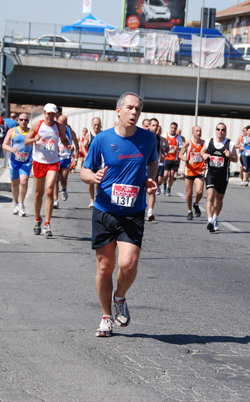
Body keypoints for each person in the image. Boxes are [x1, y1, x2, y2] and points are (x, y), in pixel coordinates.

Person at [80, 92, 158, 337]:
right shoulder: (102, 140)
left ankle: (120, 297)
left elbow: (153, 162)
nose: (134, 112)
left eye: (137, 109)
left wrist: (149, 179)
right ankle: (105, 317)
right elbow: (83, 170)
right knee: (105, 267)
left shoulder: (148, 139)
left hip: (133, 212)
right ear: (118, 110)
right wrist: (93, 177)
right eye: (130, 107)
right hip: (105, 209)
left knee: (128, 264)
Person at [24, 103, 70, 238]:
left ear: (56, 115)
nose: (50, 116)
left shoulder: (59, 126)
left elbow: (64, 139)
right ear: (44, 113)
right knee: (39, 193)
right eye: (48, 113)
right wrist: (34, 138)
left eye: (53, 114)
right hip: (39, 162)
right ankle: (38, 220)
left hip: (53, 162)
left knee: (49, 189)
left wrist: (69, 146)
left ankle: (47, 225)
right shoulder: (36, 125)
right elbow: (26, 141)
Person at [201, 122, 238, 233]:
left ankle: (215, 217)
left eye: (222, 130)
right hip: (210, 173)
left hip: (223, 175)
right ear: (215, 130)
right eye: (218, 129)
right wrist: (204, 155)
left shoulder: (230, 144)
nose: (220, 131)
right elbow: (202, 150)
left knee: (219, 199)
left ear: (225, 131)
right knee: (210, 196)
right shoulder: (209, 141)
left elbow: (236, 159)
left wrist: (229, 156)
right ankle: (210, 221)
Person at [1, 112, 32, 217]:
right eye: (21, 119)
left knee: (24, 181)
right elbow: (4, 145)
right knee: (14, 183)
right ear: (18, 121)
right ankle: (15, 203)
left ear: (28, 121)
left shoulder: (31, 132)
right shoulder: (12, 131)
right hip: (14, 161)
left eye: (25, 120)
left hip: (26, 162)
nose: (23, 121)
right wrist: (11, 149)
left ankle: (22, 204)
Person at [179, 125, 205, 220]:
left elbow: (207, 154)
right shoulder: (188, 143)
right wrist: (188, 161)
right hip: (189, 171)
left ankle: (196, 204)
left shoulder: (204, 143)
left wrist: (206, 162)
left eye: (200, 131)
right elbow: (180, 155)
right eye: (197, 131)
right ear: (193, 133)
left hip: (199, 170)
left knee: (200, 191)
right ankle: (189, 211)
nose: (199, 132)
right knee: (189, 193)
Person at [53, 114, 79, 208]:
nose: (61, 125)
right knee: (55, 180)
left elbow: (77, 146)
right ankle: (55, 200)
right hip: (56, 158)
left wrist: (76, 159)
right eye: (59, 123)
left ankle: (64, 189)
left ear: (66, 124)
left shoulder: (70, 132)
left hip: (66, 157)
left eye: (63, 123)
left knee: (63, 179)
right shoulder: (54, 130)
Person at [145, 118, 167, 221]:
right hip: (143, 166)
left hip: (153, 166)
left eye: (156, 125)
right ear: (149, 126)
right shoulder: (143, 136)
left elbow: (161, 149)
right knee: (141, 189)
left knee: (152, 188)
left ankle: (150, 212)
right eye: (153, 125)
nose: (155, 127)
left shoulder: (159, 138)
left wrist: (162, 154)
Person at [81, 117, 102, 208]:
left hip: (100, 161)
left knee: (98, 182)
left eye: (98, 125)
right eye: (95, 125)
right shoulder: (89, 135)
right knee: (91, 182)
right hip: (91, 162)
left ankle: (97, 198)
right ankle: (92, 199)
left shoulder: (103, 134)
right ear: (92, 125)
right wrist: (86, 155)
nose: (96, 127)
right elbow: (83, 145)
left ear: (101, 125)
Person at [161, 122, 183, 196]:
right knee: (165, 174)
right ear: (170, 127)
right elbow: (161, 145)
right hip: (167, 158)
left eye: (175, 128)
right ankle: (164, 184)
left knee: (172, 175)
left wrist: (177, 148)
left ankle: (169, 188)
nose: (173, 129)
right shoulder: (165, 135)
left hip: (174, 159)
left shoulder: (178, 137)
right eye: (172, 128)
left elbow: (182, 147)